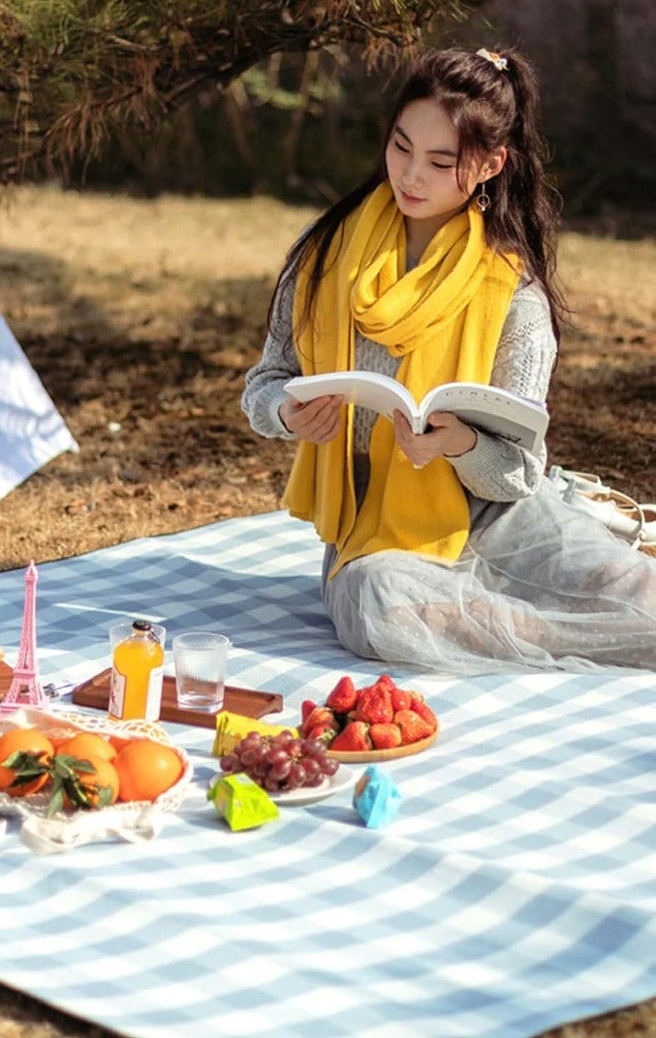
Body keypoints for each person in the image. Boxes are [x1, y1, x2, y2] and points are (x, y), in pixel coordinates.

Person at [242, 47, 655, 674]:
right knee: (379, 607)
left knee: (646, 602)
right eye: (401, 147)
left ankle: (500, 618)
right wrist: (285, 411)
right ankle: (519, 624)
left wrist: (460, 443)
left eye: (440, 162)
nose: (410, 175)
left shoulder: (513, 293)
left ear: (490, 166)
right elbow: (265, 383)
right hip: (376, 544)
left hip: (503, 520)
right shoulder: (326, 255)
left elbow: (517, 473)